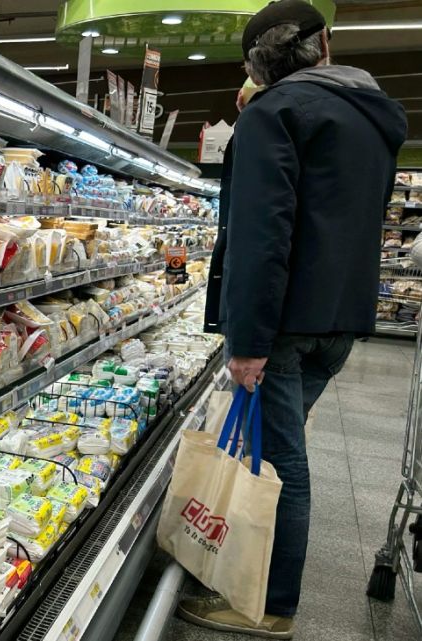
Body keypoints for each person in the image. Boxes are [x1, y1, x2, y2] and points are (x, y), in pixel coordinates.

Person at [186, 0, 408, 638]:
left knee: (282, 464)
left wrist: (249, 340)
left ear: (257, 67)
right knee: (279, 448)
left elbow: (263, 234)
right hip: (342, 317)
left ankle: (271, 605)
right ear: (326, 45)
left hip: (283, 324)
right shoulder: (370, 116)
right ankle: (248, 571)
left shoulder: (273, 117)